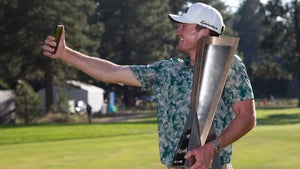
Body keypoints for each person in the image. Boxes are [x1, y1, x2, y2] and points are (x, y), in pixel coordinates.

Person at [42, 2, 256, 169]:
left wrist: (212, 147)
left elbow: (247, 117)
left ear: (204, 32)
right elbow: (113, 72)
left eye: (184, 26)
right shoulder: (167, 71)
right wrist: (66, 54)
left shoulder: (229, 64)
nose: (177, 32)